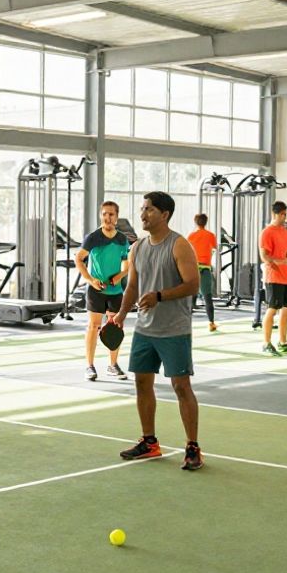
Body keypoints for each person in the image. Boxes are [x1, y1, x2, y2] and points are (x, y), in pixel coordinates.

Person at [109, 192, 204, 471]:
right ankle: (149, 442)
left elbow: (192, 285)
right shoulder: (137, 247)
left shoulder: (179, 245)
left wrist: (160, 296)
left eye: (149, 210)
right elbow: (133, 287)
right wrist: (121, 314)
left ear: (164, 215)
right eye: (142, 209)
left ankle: (192, 447)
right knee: (141, 384)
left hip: (174, 330)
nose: (143, 214)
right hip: (144, 330)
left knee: (180, 387)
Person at [76, 201, 131, 381]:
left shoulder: (122, 239)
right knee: (93, 326)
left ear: (116, 217)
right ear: (101, 215)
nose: (108, 217)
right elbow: (79, 259)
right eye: (105, 214)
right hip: (96, 291)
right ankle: (89, 366)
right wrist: (91, 280)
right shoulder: (92, 237)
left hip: (115, 290)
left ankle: (112, 365)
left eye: (111, 214)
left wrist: (121, 274)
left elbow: (126, 262)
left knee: (115, 327)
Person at [259, 201, 287, 355]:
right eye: (282, 214)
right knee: (272, 309)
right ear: (274, 214)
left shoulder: (286, 232)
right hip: (273, 277)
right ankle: (266, 343)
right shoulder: (267, 232)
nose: (284, 217)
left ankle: (283, 342)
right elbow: (264, 256)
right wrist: (281, 262)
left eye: (285, 214)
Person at [187, 213, 218, 333]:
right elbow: (214, 247)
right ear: (206, 222)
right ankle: (211, 323)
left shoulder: (191, 236)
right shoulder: (210, 235)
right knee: (207, 297)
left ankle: (186, 325)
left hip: (193, 268)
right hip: (205, 269)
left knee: (191, 296)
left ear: (196, 222)